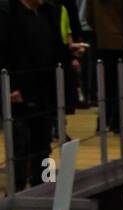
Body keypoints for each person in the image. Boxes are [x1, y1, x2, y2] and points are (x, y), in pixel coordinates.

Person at [0, 0, 63, 190]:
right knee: (20, 143)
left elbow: (54, 46)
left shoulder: (48, 12)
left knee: (44, 142)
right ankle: (16, 188)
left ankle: (45, 183)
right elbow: (3, 52)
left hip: (45, 88)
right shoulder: (8, 14)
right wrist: (11, 87)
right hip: (20, 89)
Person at [85, 0, 123, 131]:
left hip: (103, 41)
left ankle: (103, 120)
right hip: (122, 41)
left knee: (106, 85)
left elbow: (89, 17)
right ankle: (121, 120)